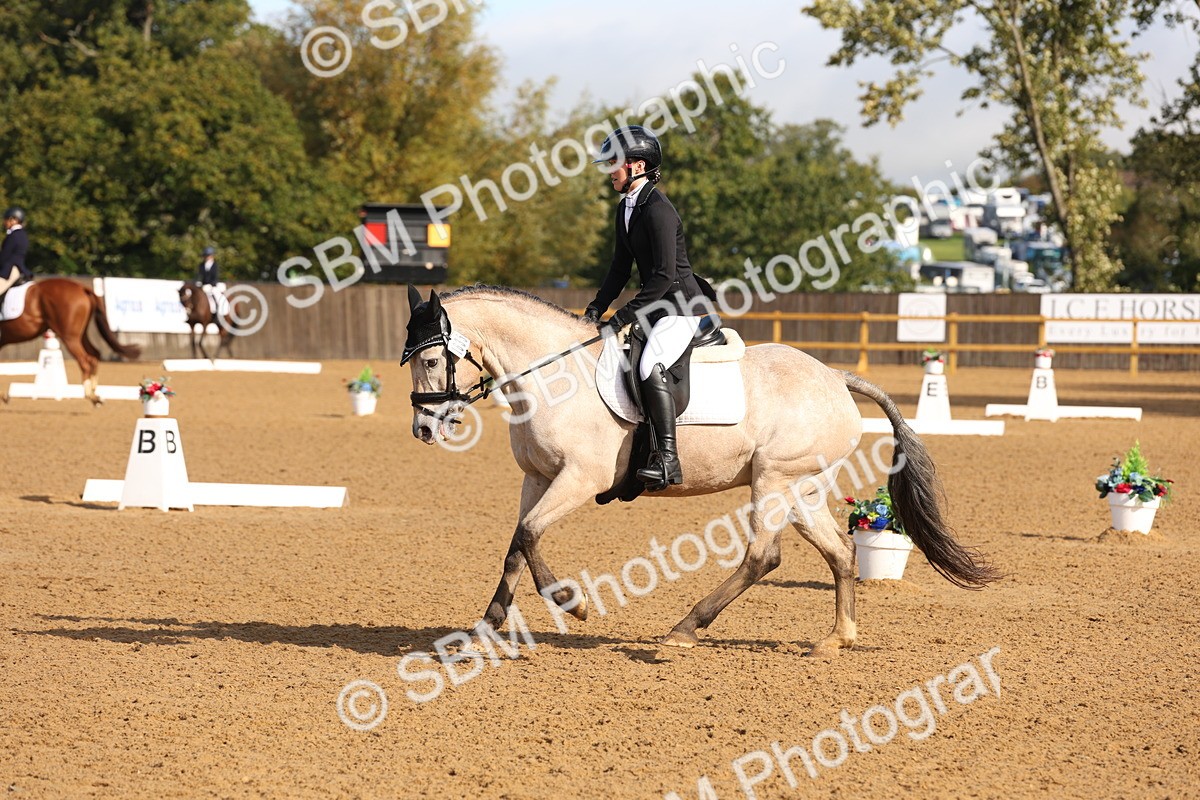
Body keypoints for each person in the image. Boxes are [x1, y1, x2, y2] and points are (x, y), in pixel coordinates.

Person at [582, 126, 715, 490]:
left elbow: (662, 276)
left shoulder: (658, 210)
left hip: (681, 306)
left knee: (648, 364)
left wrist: (623, 316)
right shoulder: (626, 206)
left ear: (637, 166)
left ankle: (668, 459)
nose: (610, 171)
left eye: (615, 164)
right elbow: (619, 269)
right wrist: (596, 308)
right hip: (657, 304)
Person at [0, 206, 30, 298]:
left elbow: (4, 257)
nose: (4, 222)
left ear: (14, 220)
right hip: (18, 269)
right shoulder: (23, 234)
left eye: (6, 219)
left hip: (10, 270)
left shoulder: (13, 236)